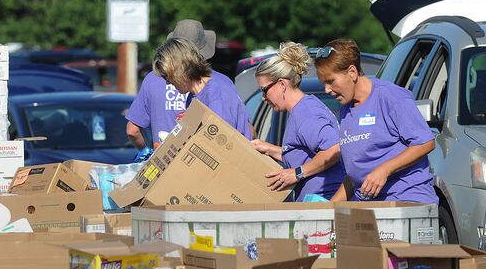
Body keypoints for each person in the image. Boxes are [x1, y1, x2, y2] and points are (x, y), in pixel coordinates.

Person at [314, 39, 437, 203]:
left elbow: (425, 142)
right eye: (324, 84)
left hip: (405, 201)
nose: (327, 90)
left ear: (352, 72)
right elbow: (355, 175)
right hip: (369, 205)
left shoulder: (391, 97)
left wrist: (384, 170)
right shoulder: (346, 108)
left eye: (331, 81)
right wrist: (329, 208)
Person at [250, 41, 345, 201]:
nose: (263, 97)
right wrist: (269, 149)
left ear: (281, 84)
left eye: (265, 90)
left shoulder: (306, 113)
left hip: (325, 204)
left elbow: (335, 149)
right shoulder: (301, 111)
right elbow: (305, 155)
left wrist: (297, 173)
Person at [126, 20, 215, 149]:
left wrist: (146, 153)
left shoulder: (152, 78)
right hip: (201, 161)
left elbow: (132, 131)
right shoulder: (215, 80)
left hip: (165, 161)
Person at [152, 37, 252, 139]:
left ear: (179, 70)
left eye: (167, 76)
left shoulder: (215, 91)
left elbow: (221, 139)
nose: (168, 82)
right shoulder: (193, 96)